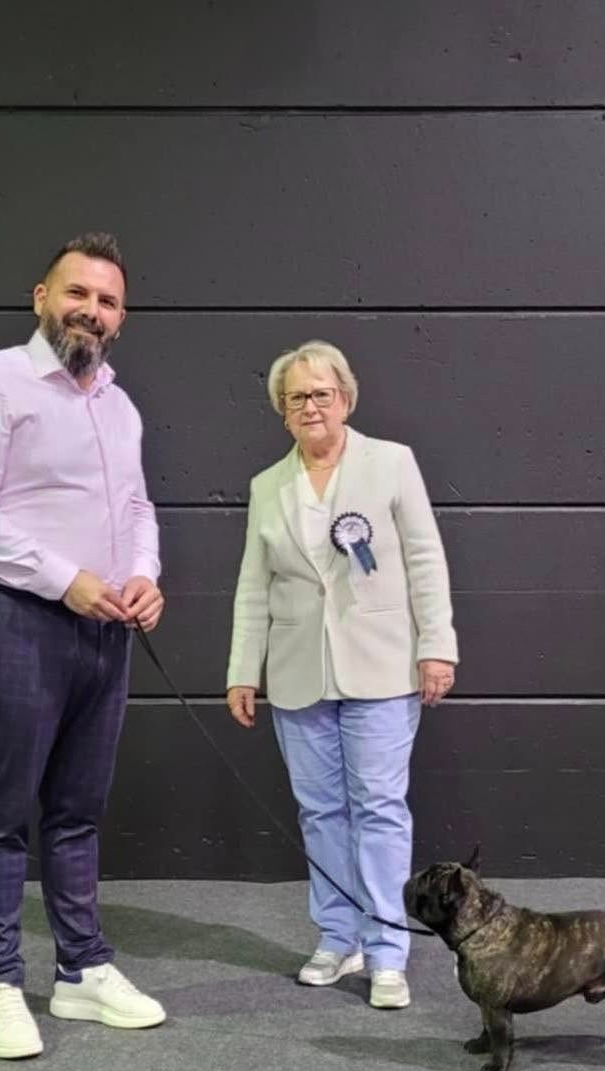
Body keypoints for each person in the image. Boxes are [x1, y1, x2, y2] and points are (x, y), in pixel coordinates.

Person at [0, 232, 166, 1059]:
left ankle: (81, 971)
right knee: (2, 818)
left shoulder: (120, 407)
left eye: (106, 301)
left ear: (120, 317)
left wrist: (143, 575)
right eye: (76, 293)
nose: (89, 311)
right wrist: (64, 578)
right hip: (16, 621)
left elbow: (136, 508)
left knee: (77, 813)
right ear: (41, 298)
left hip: (106, 627)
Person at [226, 340, 458, 1009]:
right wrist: (243, 669)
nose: (310, 406)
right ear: (281, 410)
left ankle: (386, 951)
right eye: (296, 397)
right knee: (320, 811)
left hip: (383, 665)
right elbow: (253, 586)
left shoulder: (392, 463)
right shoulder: (266, 486)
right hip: (296, 673)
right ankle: (337, 936)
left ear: (346, 399)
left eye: (321, 394)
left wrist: (436, 645)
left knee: (380, 807)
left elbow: (425, 558)